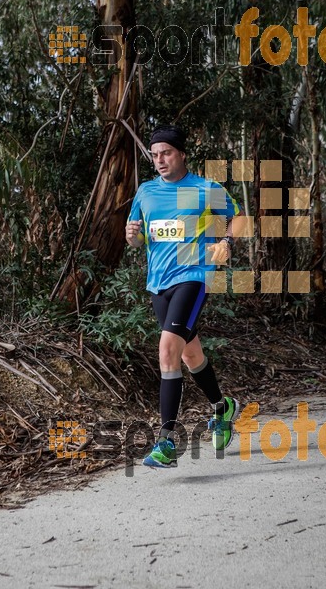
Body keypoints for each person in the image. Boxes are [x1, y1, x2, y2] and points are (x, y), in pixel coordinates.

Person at [125, 124, 244, 468]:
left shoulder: (205, 188)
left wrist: (225, 242)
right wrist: (132, 235)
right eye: (155, 154)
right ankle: (222, 408)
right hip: (158, 284)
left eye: (166, 153)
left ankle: (167, 442)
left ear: (181, 155)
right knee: (191, 355)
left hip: (194, 277)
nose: (160, 160)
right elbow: (137, 240)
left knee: (167, 350)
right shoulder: (145, 192)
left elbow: (235, 219)